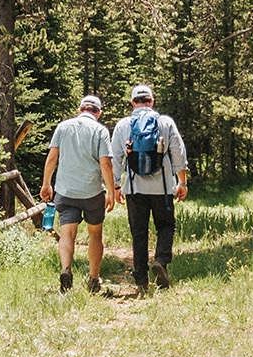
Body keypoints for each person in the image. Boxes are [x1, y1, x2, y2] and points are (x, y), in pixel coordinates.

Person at [110, 82, 189, 291]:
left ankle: (141, 279)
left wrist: (116, 185)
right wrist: (182, 182)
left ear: (132, 102)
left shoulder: (123, 125)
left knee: (139, 232)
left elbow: (115, 157)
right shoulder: (165, 122)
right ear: (152, 101)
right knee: (165, 226)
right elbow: (178, 153)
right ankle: (160, 261)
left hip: (135, 189)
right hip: (163, 188)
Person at [40, 94, 116, 293]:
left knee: (67, 233)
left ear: (80, 109)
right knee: (95, 234)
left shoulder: (63, 127)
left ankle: (66, 269)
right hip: (91, 192)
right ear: (98, 113)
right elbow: (106, 163)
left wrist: (47, 184)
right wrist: (111, 191)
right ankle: (93, 279)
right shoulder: (100, 130)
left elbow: (52, 158)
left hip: (66, 191)